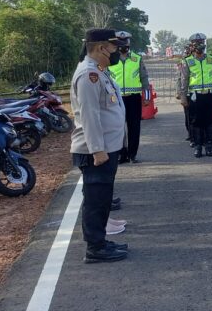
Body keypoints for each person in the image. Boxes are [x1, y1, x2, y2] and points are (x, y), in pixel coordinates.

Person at [70, 28, 129, 263]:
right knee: (96, 200)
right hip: (95, 150)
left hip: (105, 146)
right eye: (114, 47)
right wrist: (97, 150)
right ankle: (95, 248)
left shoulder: (100, 72)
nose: (117, 51)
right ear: (102, 47)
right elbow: (89, 115)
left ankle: (101, 241)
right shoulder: (88, 74)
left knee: (102, 198)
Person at [178, 33, 212, 157]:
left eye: (201, 43)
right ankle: (198, 146)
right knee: (196, 122)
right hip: (195, 96)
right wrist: (183, 96)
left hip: (209, 95)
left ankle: (208, 145)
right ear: (192, 46)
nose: (200, 45)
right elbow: (184, 80)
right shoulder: (187, 61)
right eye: (197, 43)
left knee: (210, 121)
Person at [108, 31, 150, 164]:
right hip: (116, 98)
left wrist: (146, 97)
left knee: (134, 127)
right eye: (120, 41)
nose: (123, 44)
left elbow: (144, 79)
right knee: (118, 127)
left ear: (129, 43)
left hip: (133, 98)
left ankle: (133, 154)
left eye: (125, 41)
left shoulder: (137, 58)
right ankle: (122, 154)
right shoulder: (110, 59)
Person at [177, 44, 195, 146]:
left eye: (189, 50)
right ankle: (191, 134)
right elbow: (179, 78)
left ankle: (197, 136)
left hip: (194, 93)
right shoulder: (184, 62)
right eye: (186, 51)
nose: (188, 52)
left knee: (195, 116)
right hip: (186, 93)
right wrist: (178, 92)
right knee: (188, 116)